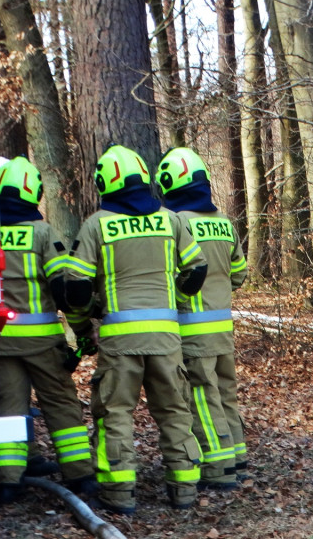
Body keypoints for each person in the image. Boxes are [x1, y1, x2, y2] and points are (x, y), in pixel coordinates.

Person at [61, 145, 208, 514]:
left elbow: (75, 288)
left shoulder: (97, 225)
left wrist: (86, 322)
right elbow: (197, 269)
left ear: (105, 182)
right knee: (175, 411)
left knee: (116, 414)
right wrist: (170, 298)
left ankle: (119, 493)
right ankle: (184, 488)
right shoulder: (171, 220)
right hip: (166, 338)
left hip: (120, 341)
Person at [0, 156, 98, 504]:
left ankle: (8, 481)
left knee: (7, 409)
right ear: (32, 191)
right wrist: (81, 332)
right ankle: (80, 476)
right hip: (41, 343)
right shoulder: (42, 233)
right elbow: (63, 289)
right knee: (62, 406)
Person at [157, 147, 248, 488]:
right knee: (226, 394)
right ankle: (237, 458)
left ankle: (217, 468)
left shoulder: (176, 222)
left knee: (203, 399)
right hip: (223, 327)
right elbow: (238, 274)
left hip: (192, 329)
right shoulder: (224, 223)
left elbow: (170, 274)